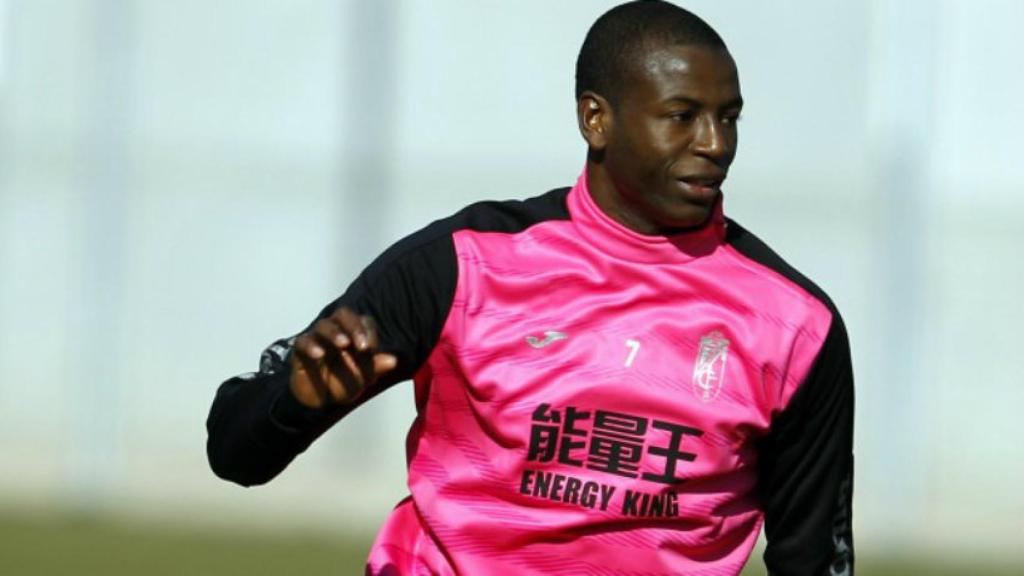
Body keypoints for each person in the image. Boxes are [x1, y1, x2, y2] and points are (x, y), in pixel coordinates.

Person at [206, 1, 855, 574]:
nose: (715, 144)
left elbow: (813, 559)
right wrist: (293, 404)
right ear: (595, 119)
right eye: (682, 116)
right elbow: (235, 452)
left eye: (729, 117)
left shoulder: (793, 325)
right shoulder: (462, 266)